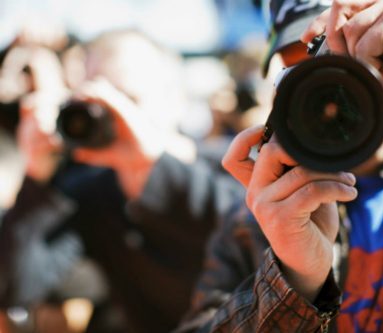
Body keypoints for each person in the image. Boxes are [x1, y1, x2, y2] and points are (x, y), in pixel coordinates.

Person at [174, 0, 383, 332]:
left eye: (344, 60)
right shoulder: (258, 215)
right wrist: (294, 280)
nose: (328, 86)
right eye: (303, 70)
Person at [0, 29, 244, 333]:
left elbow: (248, 241)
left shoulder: (234, 161)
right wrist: (38, 175)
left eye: (127, 99)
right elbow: (18, 287)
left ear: (176, 99)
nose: (115, 118)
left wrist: (152, 164)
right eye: (99, 103)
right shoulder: (90, 191)